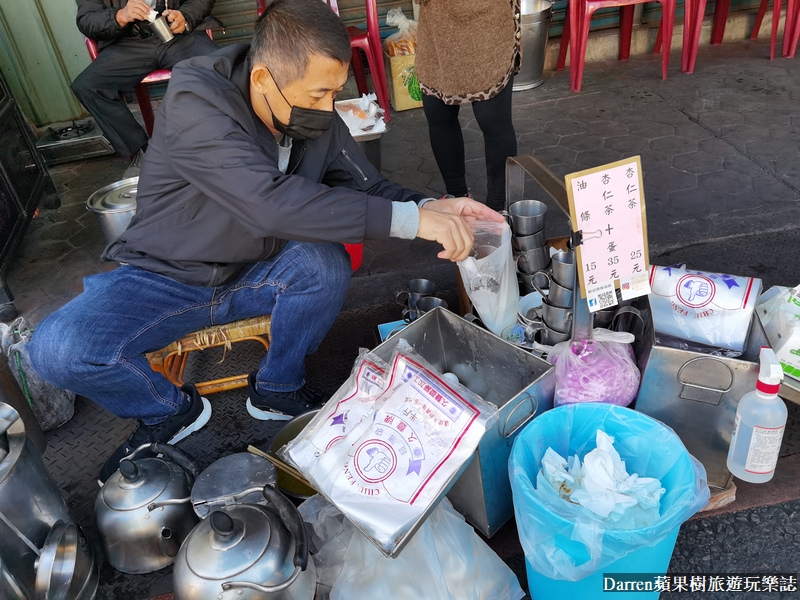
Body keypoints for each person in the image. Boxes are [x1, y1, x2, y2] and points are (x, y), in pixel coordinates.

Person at [30, 0, 502, 484]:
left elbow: (367, 187)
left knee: (325, 262)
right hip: (165, 276)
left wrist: (432, 206)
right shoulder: (197, 99)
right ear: (261, 81)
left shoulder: (311, 115)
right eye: (319, 94)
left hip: (257, 266)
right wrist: (412, 222)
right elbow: (268, 202)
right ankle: (166, 410)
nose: (328, 109)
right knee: (56, 349)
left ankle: (277, 387)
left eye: (335, 92)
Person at [72, 0, 220, 177]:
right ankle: (144, 153)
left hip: (180, 37)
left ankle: (219, 143)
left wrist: (185, 16)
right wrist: (120, 16)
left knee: (217, 71)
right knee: (88, 86)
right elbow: (87, 20)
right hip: (127, 44)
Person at [415, 0, 521, 211]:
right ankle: (457, 196)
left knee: (492, 120)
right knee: (438, 114)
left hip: (488, 16)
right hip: (438, 20)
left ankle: (498, 207)